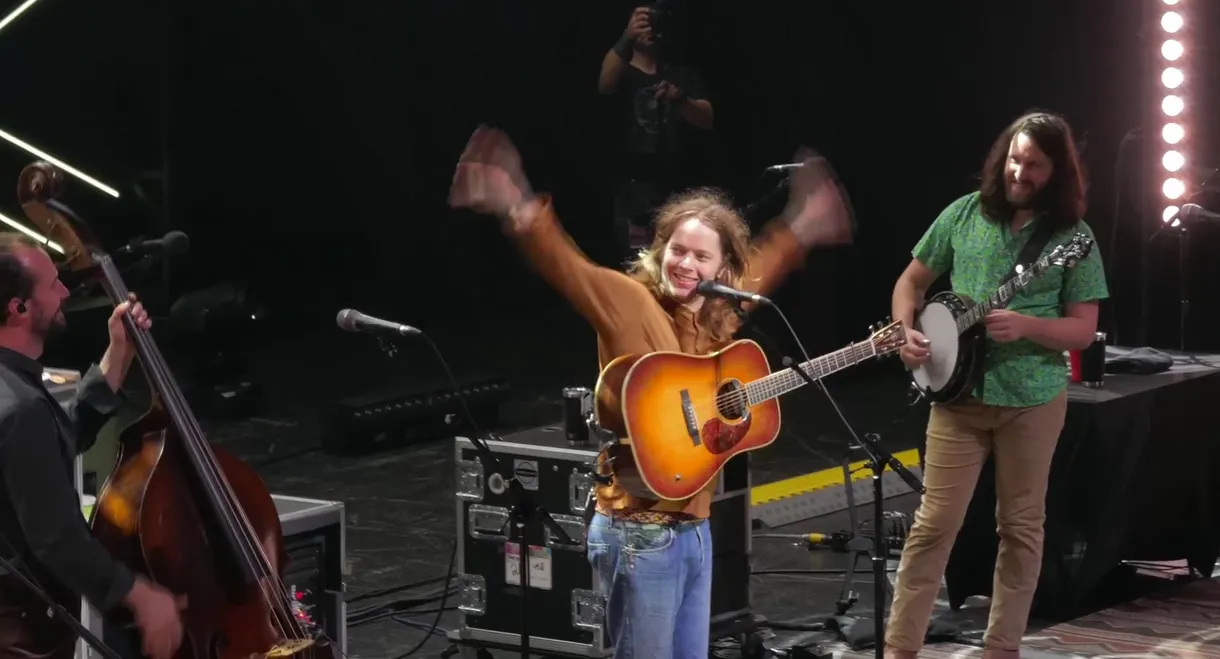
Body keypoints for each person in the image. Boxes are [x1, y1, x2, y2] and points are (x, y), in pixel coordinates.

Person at [449, 125, 852, 659]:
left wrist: (801, 226)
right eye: (676, 251)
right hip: (639, 536)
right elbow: (572, 271)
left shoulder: (713, 318)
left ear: (721, 270)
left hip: (695, 532)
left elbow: (754, 279)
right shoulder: (630, 301)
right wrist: (515, 204)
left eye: (701, 258)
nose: (685, 264)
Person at [885, 111, 1109, 659]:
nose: (1020, 172)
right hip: (957, 397)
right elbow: (910, 282)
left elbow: (1083, 329)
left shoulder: (1072, 238)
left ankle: (1001, 648)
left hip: (1032, 397)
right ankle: (899, 647)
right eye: (1014, 159)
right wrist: (904, 333)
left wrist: (1029, 326)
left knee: (1021, 526)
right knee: (934, 523)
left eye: (1034, 165)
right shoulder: (963, 214)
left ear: (1056, 171)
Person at [0, 233, 185, 659]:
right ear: (19, 307)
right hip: (26, 638)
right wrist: (139, 595)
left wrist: (118, 354)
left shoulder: (16, 393)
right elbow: (56, 540)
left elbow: (52, 443)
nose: (65, 291)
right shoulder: (20, 408)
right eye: (52, 285)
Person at [597, 4, 714, 265]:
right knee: (635, 266)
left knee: (673, 264)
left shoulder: (682, 73)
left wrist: (681, 99)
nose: (650, 28)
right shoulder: (622, 70)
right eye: (643, 21)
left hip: (676, 188)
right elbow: (604, 84)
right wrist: (627, 37)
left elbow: (707, 118)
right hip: (632, 190)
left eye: (655, 22)